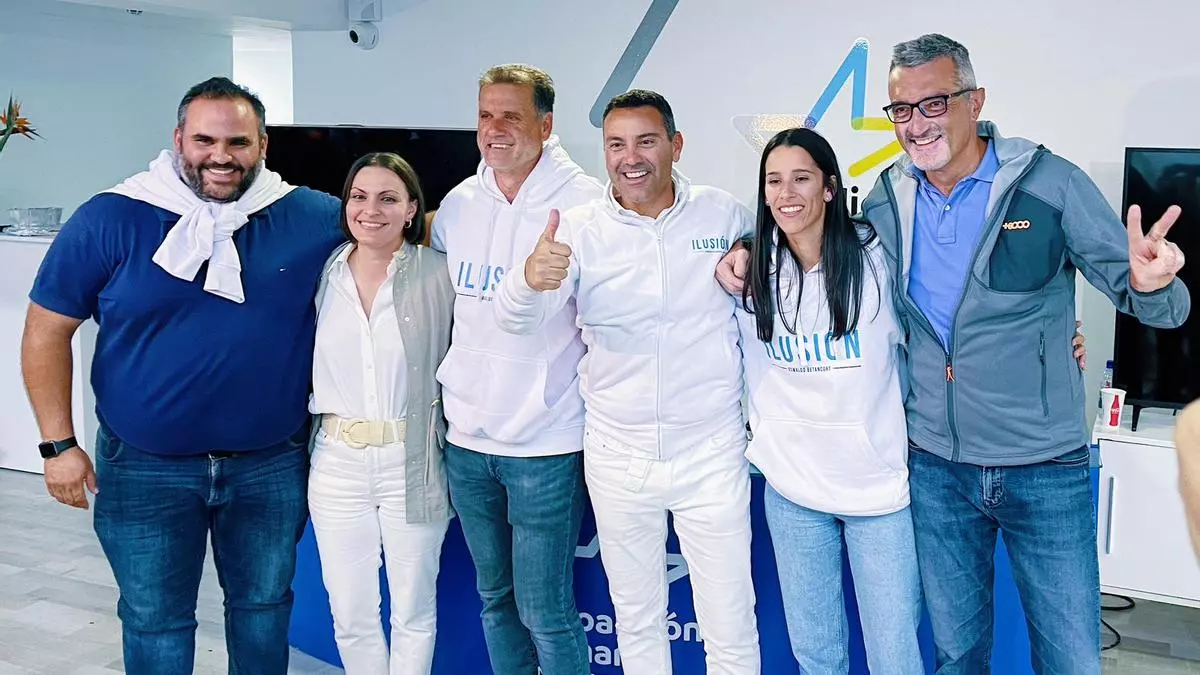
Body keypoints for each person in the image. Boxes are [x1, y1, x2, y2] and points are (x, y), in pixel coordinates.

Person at [717, 34, 1189, 674]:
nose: (917, 124)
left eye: (934, 103)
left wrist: (1154, 285)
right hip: (938, 469)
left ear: (976, 101)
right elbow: (813, 226)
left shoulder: (1050, 185)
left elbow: (1147, 298)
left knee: (1071, 655)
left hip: (1042, 464)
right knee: (956, 654)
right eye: (902, 111)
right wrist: (748, 243)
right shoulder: (889, 197)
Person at [20, 77, 345, 674]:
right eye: (204, 140)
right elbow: (45, 330)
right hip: (143, 466)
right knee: (154, 618)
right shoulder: (110, 218)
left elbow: (403, 230)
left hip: (269, 465)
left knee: (264, 609)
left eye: (238, 142)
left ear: (263, 145)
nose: (221, 156)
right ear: (178, 140)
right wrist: (57, 444)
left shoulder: (313, 216)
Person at [494, 89, 760, 675]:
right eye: (616, 144)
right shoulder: (577, 229)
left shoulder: (725, 214)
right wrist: (526, 282)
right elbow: (517, 321)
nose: (630, 157)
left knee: (731, 623)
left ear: (676, 144)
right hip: (618, 454)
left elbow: (758, 303)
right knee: (637, 621)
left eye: (646, 140)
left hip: (711, 451)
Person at [428, 63, 603, 675]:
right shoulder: (457, 204)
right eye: (485, 115)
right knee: (494, 600)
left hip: (545, 443)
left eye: (511, 115)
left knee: (546, 609)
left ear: (546, 125)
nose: (495, 129)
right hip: (467, 441)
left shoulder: (584, 204)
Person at [737, 127, 922, 673]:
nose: (786, 193)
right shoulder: (749, 272)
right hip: (792, 490)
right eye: (774, 180)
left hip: (878, 490)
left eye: (801, 178)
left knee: (894, 654)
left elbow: (947, 333)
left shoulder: (879, 262)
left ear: (830, 188)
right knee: (816, 655)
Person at [307, 152, 453, 675]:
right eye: (360, 196)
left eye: (389, 198)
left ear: (412, 208)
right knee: (351, 613)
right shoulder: (321, 273)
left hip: (411, 460)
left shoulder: (439, 275)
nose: (372, 210)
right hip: (336, 462)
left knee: (414, 609)